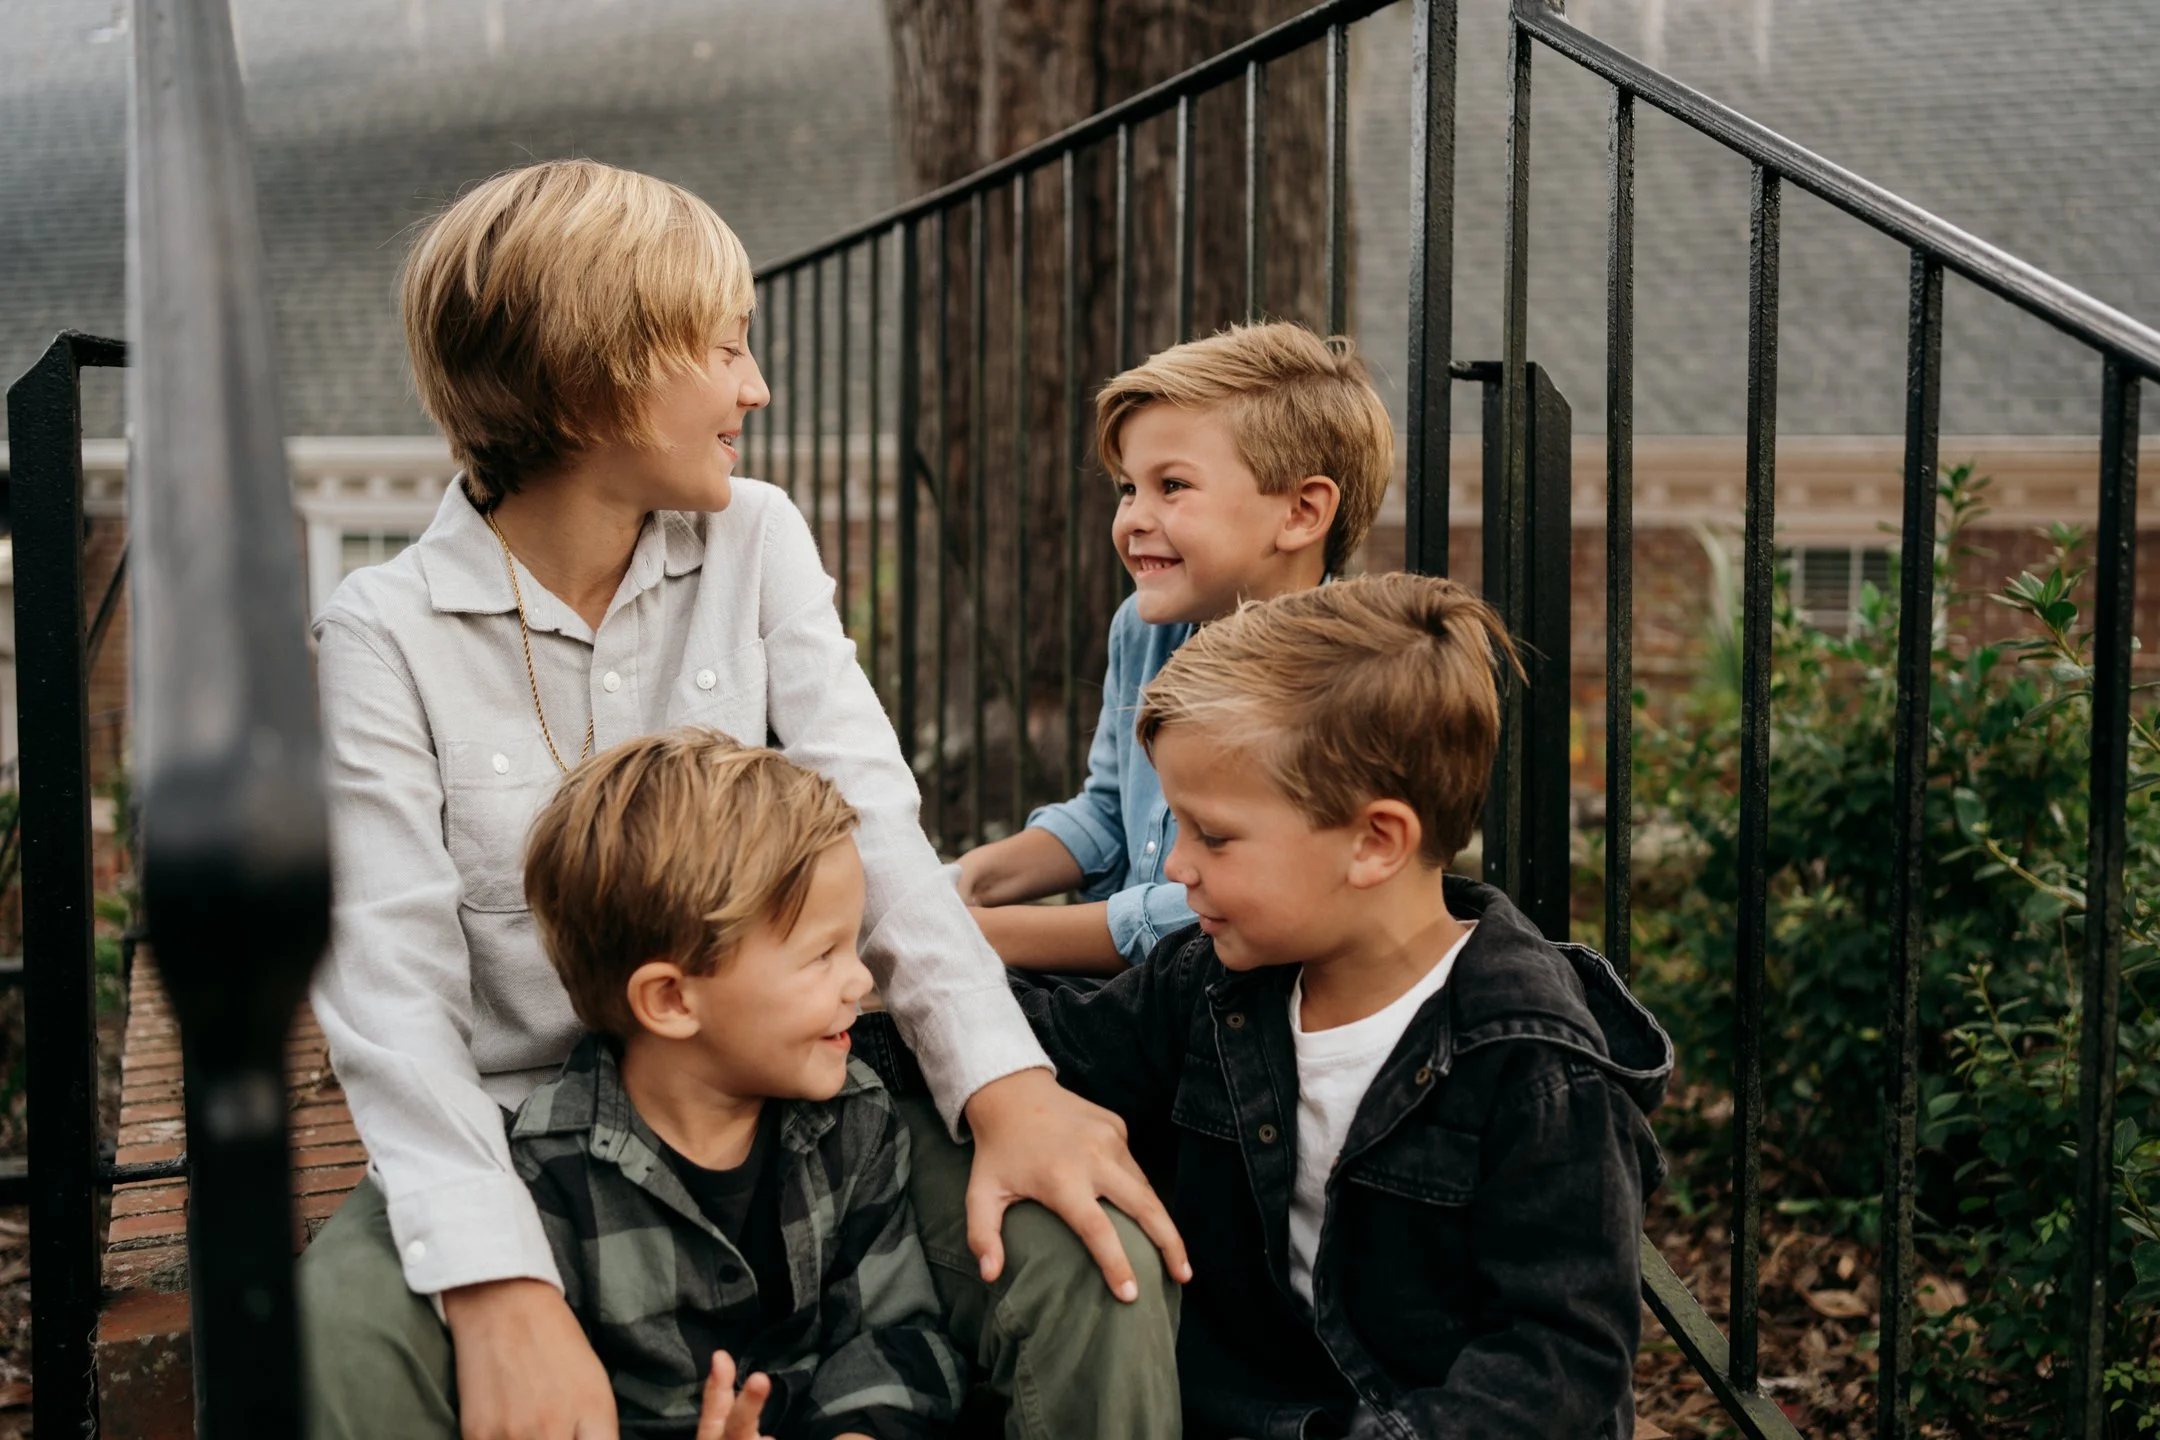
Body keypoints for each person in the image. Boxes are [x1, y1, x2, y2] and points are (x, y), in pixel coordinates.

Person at [297, 159, 1184, 1440]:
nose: (756, 387)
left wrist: (1004, 1085)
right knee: (344, 1328)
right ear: (594, 377)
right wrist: (498, 1282)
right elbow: (388, 988)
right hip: (518, 1143)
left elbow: (876, 821)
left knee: (1086, 1261)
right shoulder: (382, 632)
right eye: (723, 349)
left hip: (786, 1101)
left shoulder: (755, 537)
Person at [884, 574, 1674, 1437]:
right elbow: (1050, 1038)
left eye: (1213, 835)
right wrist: (855, 997)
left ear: (1375, 842)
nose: (1176, 867)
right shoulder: (1217, 985)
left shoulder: (1536, 1072)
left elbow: (1558, 1369)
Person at [512, 732, 962, 1440]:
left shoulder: (854, 1120)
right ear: (671, 1000)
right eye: (822, 956)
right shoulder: (550, 1176)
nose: (862, 979)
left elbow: (894, 1332)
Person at [955, 322, 1394, 974]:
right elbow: (1108, 812)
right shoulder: (1145, 628)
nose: (1132, 519)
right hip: (1133, 995)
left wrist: (978, 939)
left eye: (1173, 487)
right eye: (1128, 488)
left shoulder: (1342, 685)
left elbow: (1220, 909)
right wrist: (964, 884)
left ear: (1302, 511)